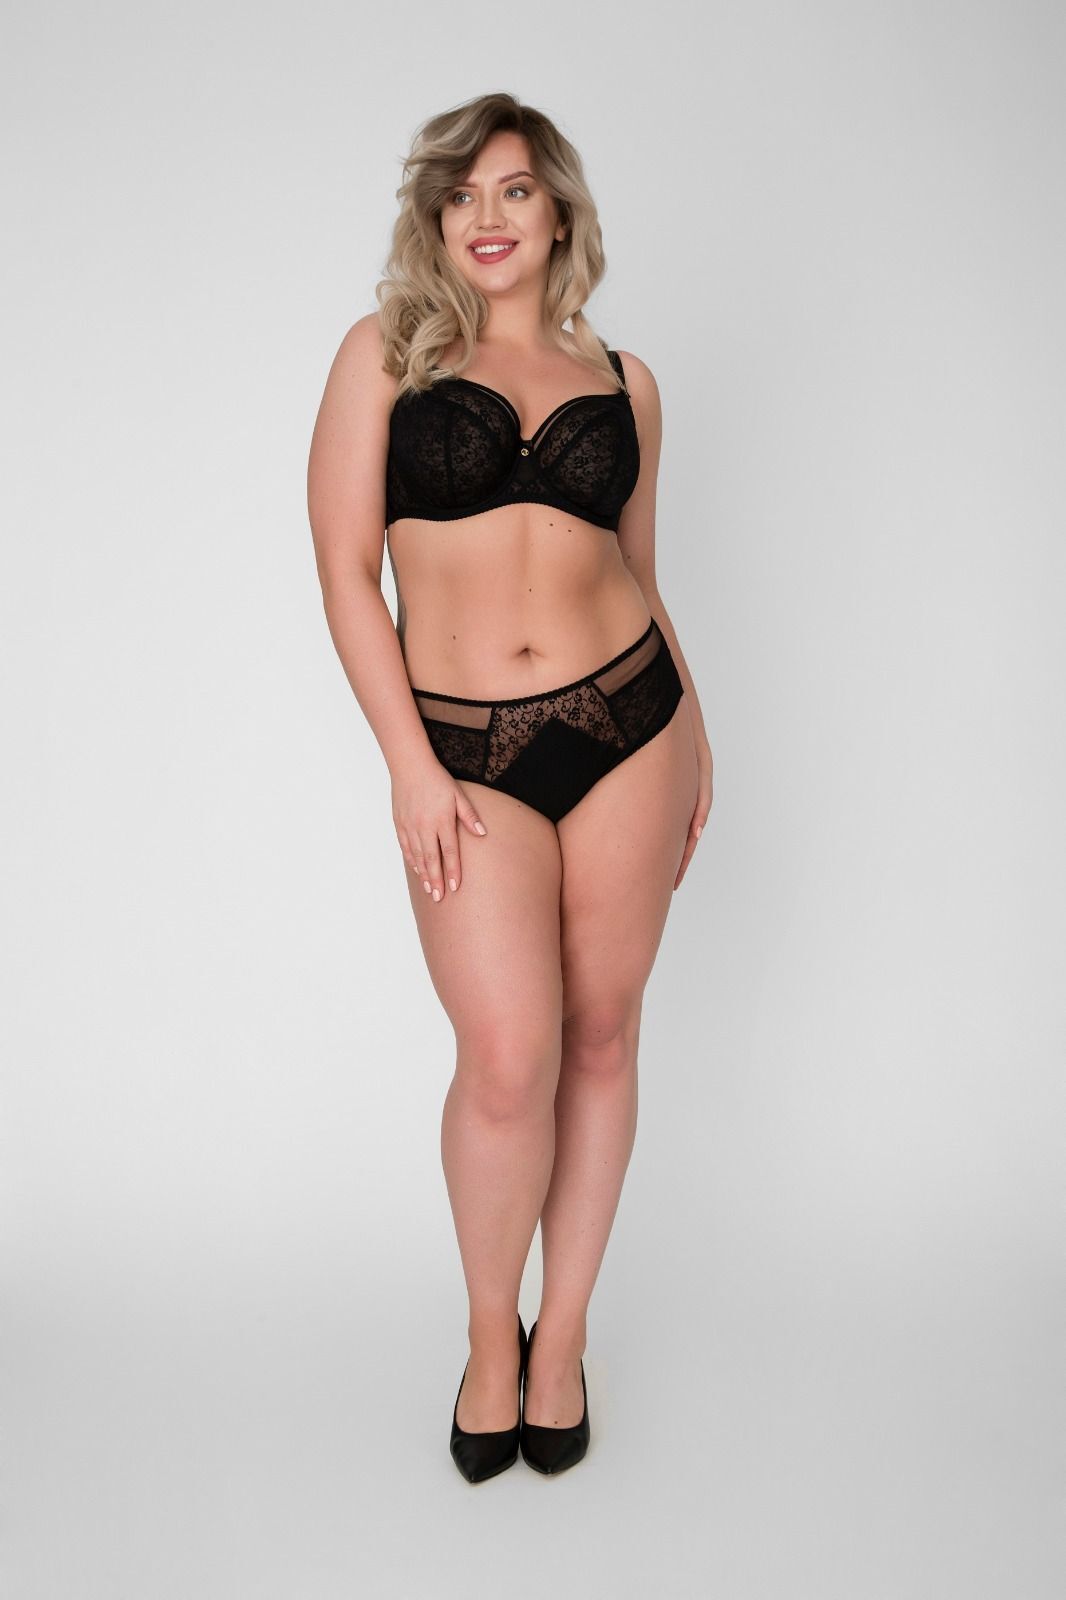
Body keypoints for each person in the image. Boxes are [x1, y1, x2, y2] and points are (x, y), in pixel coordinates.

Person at [306, 91, 714, 1482]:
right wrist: (409, 770)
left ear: (558, 213)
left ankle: (563, 1339)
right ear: (435, 220)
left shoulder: (626, 380)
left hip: (633, 730)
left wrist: (699, 732)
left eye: (515, 191)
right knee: (506, 1059)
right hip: (463, 751)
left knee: (601, 1036)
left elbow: (639, 574)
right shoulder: (384, 356)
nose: (486, 218)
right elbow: (345, 578)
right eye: (461, 195)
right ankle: (493, 1333)